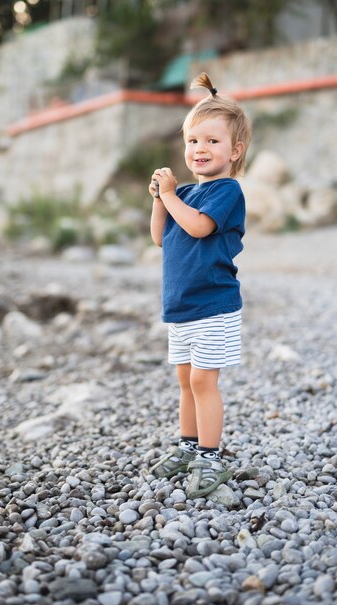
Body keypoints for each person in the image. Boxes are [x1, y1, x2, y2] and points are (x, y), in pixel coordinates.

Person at [148, 72, 252, 498]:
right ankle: (187, 445)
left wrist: (171, 197)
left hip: (213, 305)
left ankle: (211, 455)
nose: (200, 149)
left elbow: (196, 229)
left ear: (235, 150)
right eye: (194, 141)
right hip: (182, 307)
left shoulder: (227, 192)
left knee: (203, 383)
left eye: (212, 141)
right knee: (185, 380)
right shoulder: (184, 193)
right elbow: (160, 236)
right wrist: (160, 198)